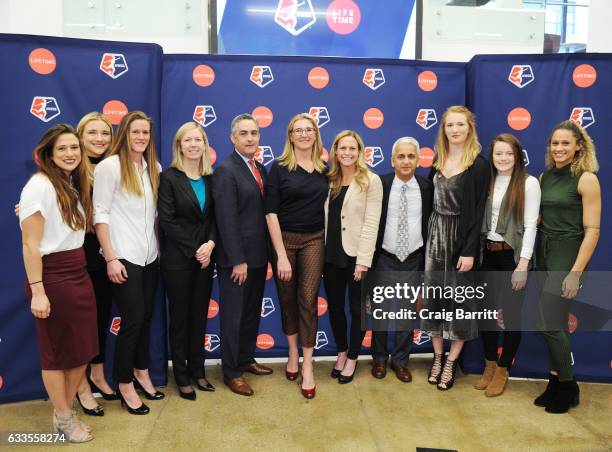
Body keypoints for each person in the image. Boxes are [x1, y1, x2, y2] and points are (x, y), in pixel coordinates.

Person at [20, 124, 97, 442]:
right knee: (56, 353)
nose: (70, 154)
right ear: (48, 154)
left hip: (78, 271)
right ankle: (64, 416)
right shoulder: (38, 186)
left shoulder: (69, 182)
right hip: (52, 276)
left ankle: (63, 409)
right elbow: (30, 245)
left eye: (74, 148)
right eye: (62, 149)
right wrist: (38, 291)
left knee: (82, 349)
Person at [93, 111, 162, 415]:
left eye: (145, 133)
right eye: (135, 132)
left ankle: (141, 370)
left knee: (145, 317)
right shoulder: (110, 167)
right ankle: (123, 383)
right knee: (132, 320)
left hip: (149, 257)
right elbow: (100, 214)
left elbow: (154, 217)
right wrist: (110, 257)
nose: (141, 138)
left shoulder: (153, 167)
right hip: (123, 257)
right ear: (125, 134)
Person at [533, 120, 600, 414]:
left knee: (547, 322)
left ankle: (570, 385)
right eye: (554, 143)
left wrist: (575, 272)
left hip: (567, 253)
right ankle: (555, 380)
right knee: (556, 323)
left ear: (578, 146)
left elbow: (593, 230)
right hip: (543, 253)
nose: (558, 148)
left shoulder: (586, 179)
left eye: (565, 143)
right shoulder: (545, 177)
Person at [421, 105, 489, 390]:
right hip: (435, 236)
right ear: (444, 129)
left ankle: (451, 362)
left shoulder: (479, 164)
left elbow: (478, 211)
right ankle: (437, 357)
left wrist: (470, 251)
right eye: (450, 125)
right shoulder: (439, 159)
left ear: (469, 128)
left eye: (460, 124)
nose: (455, 130)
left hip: (461, 240)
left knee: (461, 305)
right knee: (434, 301)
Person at [264, 113, 328, 399]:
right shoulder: (278, 168)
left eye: (308, 129)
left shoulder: (326, 169)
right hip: (284, 242)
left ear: (315, 134)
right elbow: (271, 212)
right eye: (297, 130)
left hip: (314, 239)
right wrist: (280, 254)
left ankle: (309, 365)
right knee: (287, 301)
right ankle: (292, 353)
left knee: (308, 300)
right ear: (290, 136)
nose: (303, 134)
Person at [474, 133, 540, 397]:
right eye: (498, 153)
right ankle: (489, 364)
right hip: (486, 255)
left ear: (518, 156)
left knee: (511, 317)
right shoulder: (487, 180)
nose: (503, 158)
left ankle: (503, 370)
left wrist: (522, 265)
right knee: (485, 316)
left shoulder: (528, 183)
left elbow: (530, 226)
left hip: (511, 257)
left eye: (509, 154)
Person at [212, 113, 272, 397]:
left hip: (259, 257)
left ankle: (246, 359)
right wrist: (238, 259)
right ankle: (231, 372)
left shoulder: (260, 167)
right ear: (233, 138)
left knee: (250, 314)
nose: (250, 138)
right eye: (244, 134)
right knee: (233, 318)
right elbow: (226, 219)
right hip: (237, 261)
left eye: (254, 133)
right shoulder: (226, 170)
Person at [158, 122, 216, 401]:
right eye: (188, 140)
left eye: (198, 140)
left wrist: (211, 245)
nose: (193, 144)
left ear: (205, 145)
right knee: (180, 319)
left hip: (205, 259)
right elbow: (167, 221)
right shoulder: (169, 178)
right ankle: (180, 375)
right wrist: (196, 249)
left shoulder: (210, 178)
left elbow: (215, 218)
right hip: (178, 260)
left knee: (198, 318)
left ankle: (198, 370)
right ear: (179, 145)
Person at [370, 137, 433, 383]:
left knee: (407, 314)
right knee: (381, 312)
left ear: (418, 160)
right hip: (384, 257)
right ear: (392, 160)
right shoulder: (381, 184)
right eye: (401, 156)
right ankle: (378, 359)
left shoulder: (427, 188)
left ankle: (401, 361)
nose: (406, 161)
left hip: (413, 259)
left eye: (411, 156)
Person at [324, 130, 383, 384]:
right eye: (342, 148)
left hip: (356, 256)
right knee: (335, 308)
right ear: (335, 151)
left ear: (360, 152)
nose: (347, 153)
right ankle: (341, 351)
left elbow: (372, 223)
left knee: (358, 310)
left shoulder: (371, 180)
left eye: (352, 148)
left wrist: (363, 260)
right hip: (331, 253)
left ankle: (353, 357)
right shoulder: (329, 179)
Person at [73, 112, 119, 417]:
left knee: (101, 318)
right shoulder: (69, 167)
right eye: (93, 133)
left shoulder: (113, 166)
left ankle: (99, 374)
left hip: (107, 254)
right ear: (80, 135)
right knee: (80, 326)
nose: (100, 139)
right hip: (78, 255)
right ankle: (80, 387)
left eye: (105, 133)